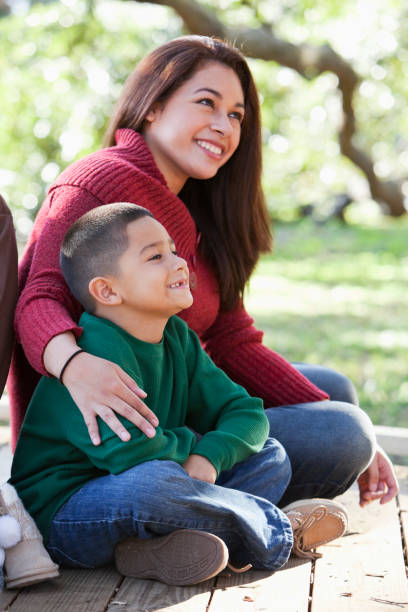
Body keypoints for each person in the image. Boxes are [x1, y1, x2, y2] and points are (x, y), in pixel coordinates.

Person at [9, 35, 398, 509]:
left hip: (173, 397)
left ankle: (226, 499)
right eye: (206, 103)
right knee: (342, 432)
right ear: (152, 106)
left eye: (235, 114)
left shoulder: (200, 206)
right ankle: (205, 506)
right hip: (108, 434)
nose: (223, 126)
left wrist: (346, 425)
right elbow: (37, 298)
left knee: (336, 394)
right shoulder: (99, 182)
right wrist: (74, 365)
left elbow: (232, 339)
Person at [10, 203, 349, 584]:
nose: (178, 263)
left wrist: (208, 455)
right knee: (151, 484)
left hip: (159, 483)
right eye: (155, 256)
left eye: (173, 250)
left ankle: (154, 550)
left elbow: (246, 412)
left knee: (270, 455)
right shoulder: (96, 356)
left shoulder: (177, 338)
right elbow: (130, 452)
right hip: (66, 516)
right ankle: (279, 531)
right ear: (107, 290)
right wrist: (197, 448)